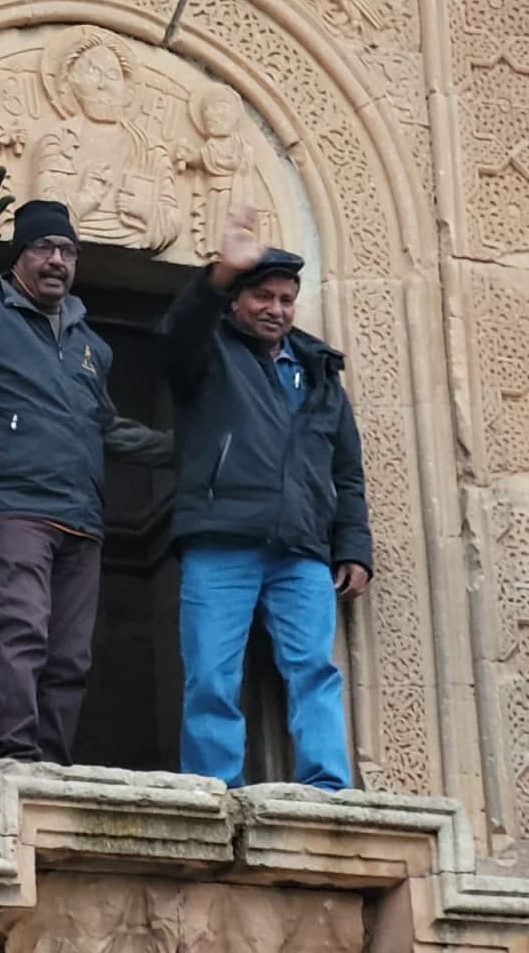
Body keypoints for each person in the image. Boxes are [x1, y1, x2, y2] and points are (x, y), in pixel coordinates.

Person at [0, 159, 173, 764]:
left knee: (71, 655)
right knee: (21, 630)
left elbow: (108, 428)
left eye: (67, 251)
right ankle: (16, 758)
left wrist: (184, 450)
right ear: (18, 257)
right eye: (43, 248)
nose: (56, 261)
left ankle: (51, 764)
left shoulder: (90, 346)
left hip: (82, 518)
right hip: (12, 506)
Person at [157, 204, 372, 791]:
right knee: (211, 673)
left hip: (302, 548)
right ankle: (212, 788)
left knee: (315, 670)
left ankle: (327, 787)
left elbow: (346, 470)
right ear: (235, 302)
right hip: (221, 539)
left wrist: (352, 546)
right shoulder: (208, 352)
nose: (276, 309)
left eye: (286, 299)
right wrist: (219, 274)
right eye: (262, 297)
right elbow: (177, 334)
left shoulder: (320, 371)